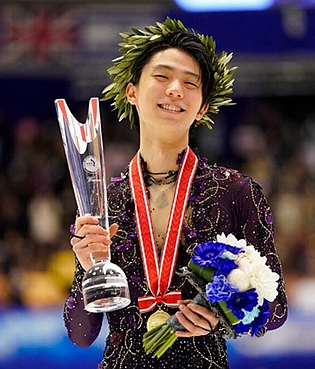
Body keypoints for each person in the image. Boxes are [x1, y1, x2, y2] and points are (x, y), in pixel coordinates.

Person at [63, 18, 287, 368]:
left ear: (202, 108)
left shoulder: (235, 191)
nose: (175, 90)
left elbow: (277, 310)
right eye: (162, 76)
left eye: (190, 83)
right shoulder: (100, 202)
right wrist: (88, 267)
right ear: (132, 91)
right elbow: (81, 335)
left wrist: (225, 313)